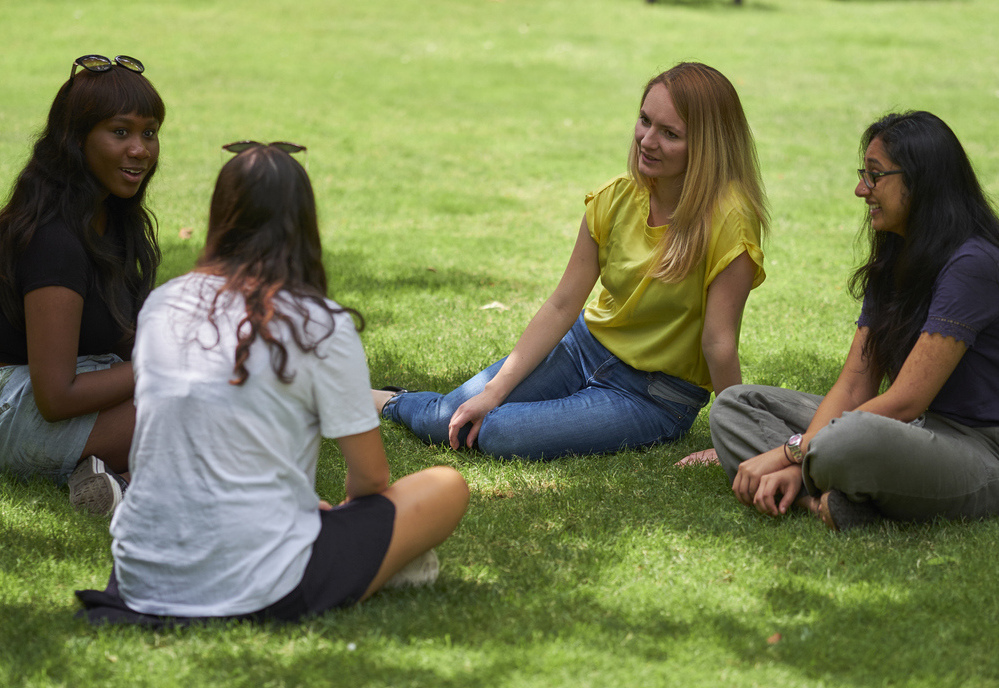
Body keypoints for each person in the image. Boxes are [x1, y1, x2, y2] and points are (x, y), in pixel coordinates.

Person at [76, 142, 469, 626]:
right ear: (304, 221)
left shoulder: (162, 303)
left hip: (139, 579)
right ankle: (373, 567)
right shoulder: (319, 323)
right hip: (260, 583)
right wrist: (333, 521)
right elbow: (369, 479)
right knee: (445, 485)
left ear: (221, 217)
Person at [374, 62, 768, 461]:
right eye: (645, 121)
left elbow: (718, 342)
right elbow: (563, 303)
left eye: (670, 134)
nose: (647, 141)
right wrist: (493, 391)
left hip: (654, 395)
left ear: (707, 145)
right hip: (583, 347)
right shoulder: (614, 198)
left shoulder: (730, 220)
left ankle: (403, 404)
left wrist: (733, 443)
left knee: (496, 433)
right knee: (451, 420)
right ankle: (387, 402)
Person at [711, 111, 999, 530]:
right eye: (863, 174)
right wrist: (808, 449)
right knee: (733, 407)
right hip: (911, 432)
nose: (861, 189)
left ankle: (813, 478)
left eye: (876, 176)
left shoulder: (973, 263)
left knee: (849, 440)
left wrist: (791, 454)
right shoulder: (896, 255)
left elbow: (905, 400)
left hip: (979, 448)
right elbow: (854, 384)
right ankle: (826, 501)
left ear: (922, 182)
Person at [0, 55, 164, 516]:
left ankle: (115, 480)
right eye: (120, 132)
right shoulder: (54, 240)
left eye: (149, 132)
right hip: (18, 407)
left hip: (74, 387)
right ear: (75, 140)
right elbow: (56, 397)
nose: (140, 149)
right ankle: (130, 484)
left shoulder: (111, 220)